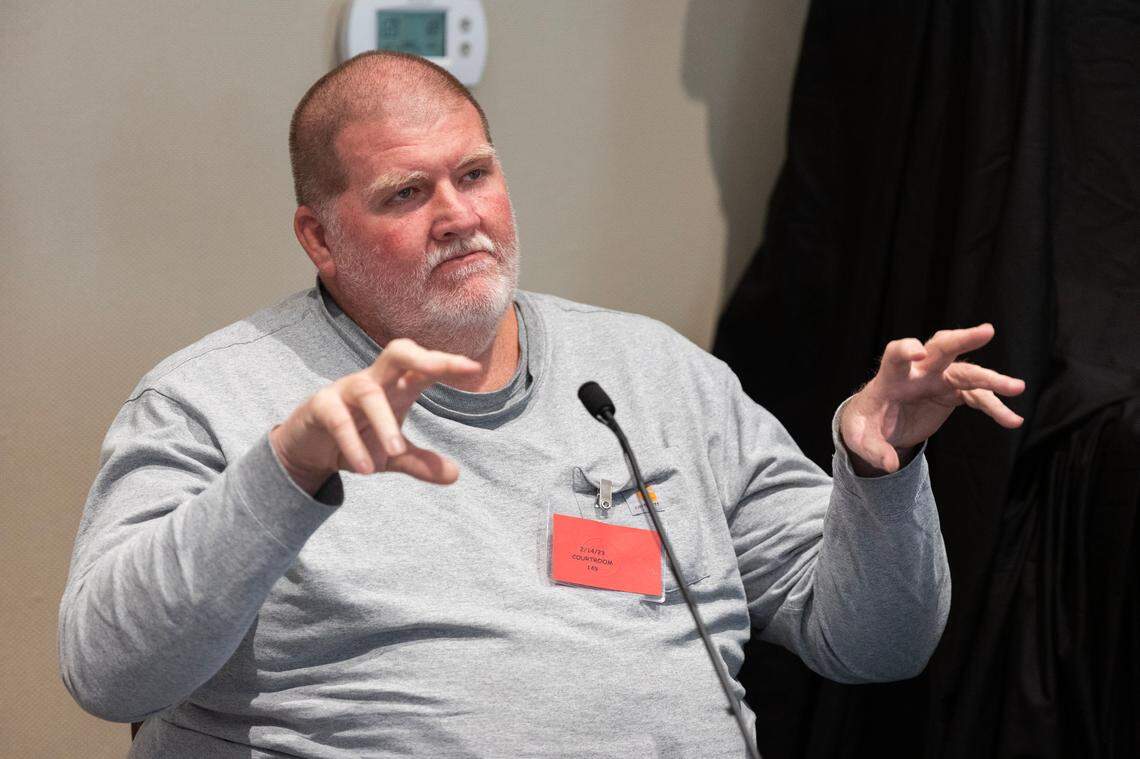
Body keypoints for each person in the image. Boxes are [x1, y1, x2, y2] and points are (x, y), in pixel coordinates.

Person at [59, 51, 1026, 758]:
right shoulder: (213, 395)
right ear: (319, 237)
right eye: (406, 193)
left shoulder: (655, 373)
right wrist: (286, 470)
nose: (459, 215)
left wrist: (880, 476)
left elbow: (875, 642)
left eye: (475, 174)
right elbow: (108, 671)